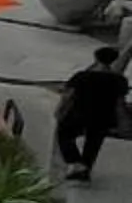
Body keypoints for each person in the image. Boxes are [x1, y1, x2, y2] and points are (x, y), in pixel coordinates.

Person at [55, 46, 130, 179]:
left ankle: (75, 162)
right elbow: (120, 103)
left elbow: (68, 95)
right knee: (93, 144)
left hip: (79, 113)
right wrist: (124, 121)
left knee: (64, 134)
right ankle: (85, 170)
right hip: (104, 116)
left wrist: (60, 109)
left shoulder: (82, 76)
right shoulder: (119, 81)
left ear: (96, 58)